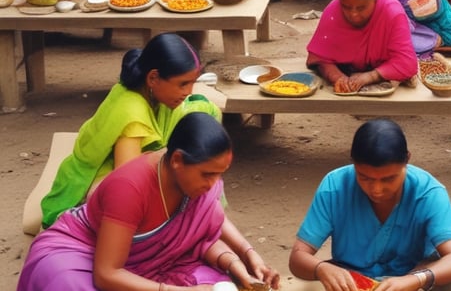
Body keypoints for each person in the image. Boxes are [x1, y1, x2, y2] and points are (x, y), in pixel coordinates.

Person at [20, 113, 282, 290]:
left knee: (220, 284)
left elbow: (205, 230)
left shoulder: (192, 182)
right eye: (208, 174)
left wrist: (248, 259)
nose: (214, 184)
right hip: (82, 252)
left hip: (157, 263)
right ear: (178, 160)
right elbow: (106, 274)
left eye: (220, 174)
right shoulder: (130, 187)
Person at [39, 33, 222, 230]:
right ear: (153, 78)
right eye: (183, 84)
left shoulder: (149, 91)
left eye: (193, 82)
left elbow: (196, 111)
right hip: (92, 181)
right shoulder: (132, 115)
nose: (189, 91)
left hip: (122, 162)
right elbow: (126, 183)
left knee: (205, 114)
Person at [288, 118, 451, 291]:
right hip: (353, 281)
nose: (376, 189)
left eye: (389, 179)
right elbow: (297, 258)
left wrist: (414, 279)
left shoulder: (428, 192)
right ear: (353, 164)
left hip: (412, 278)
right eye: (364, 177)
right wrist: (322, 269)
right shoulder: (334, 186)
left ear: (407, 160)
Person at [307, 0, 418, 93]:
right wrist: (338, 78)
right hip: (346, 69)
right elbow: (320, 57)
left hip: (382, 68)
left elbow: (407, 62)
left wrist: (370, 76)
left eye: (361, 8)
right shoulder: (333, 11)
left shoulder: (392, 13)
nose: (353, 14)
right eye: (346, 6)